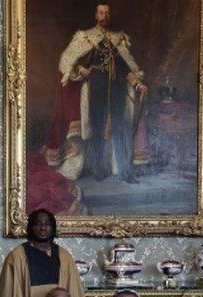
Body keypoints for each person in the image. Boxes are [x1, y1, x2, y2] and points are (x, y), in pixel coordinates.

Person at [44, 3, 149, 182]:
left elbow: (126, 68)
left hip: (117, 90)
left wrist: (138, 84)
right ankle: (99, 169)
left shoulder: (118, 38)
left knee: (121, 127)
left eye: (107, 13)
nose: (105, 16)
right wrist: (79, 69)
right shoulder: (85, 37)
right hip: (94, 88)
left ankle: (124, 170)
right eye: (101, 12)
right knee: (96, 128)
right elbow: (67, 61)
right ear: (96, 15)